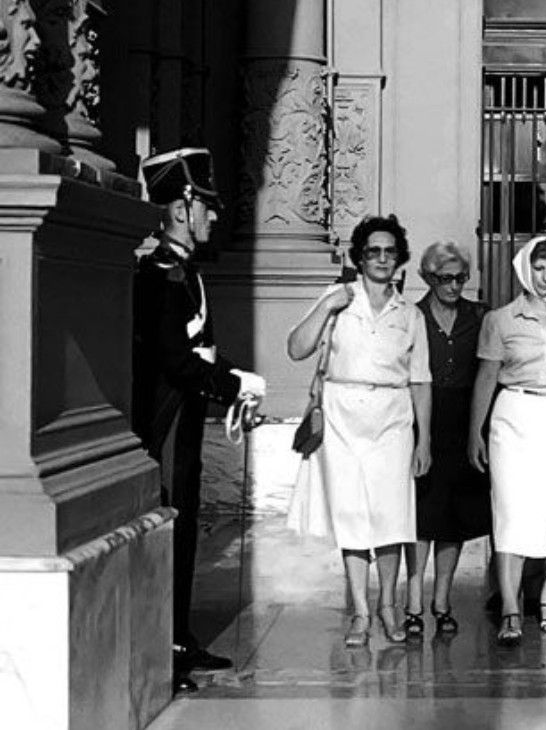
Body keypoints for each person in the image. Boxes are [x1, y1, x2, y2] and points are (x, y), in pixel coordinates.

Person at [133, 147, 267, 693]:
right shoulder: (161, 273)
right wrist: (230, 385)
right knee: (174, 524)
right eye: (206, 206)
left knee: (186, 524)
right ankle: (166, 647)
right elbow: (173, 357)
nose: (213, 216)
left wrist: (237, 380)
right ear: (183, 206)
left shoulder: (184, 271)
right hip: (165, 422)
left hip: (185, 416)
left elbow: (202, 349)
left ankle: (180, 638)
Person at [287, 215, 432, 647]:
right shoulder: (338, 300)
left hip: (392, 416)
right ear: (361, 257)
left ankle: (388, 605)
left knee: (390, 516)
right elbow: (296, 348)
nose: (382, 259)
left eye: (390, 251)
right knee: (351, 514)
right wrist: (329, 304)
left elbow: (421, 381)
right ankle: (360, 611)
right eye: (373, 251)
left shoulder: (410, 315)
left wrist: (424, 440)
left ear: (399, 257)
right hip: (341, 414)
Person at [469, 236, 546, 646]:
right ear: (525, 269)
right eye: (539, 269)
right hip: (514, 417)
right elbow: (486, 378)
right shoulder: (500, 320)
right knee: (511, 511)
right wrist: (476, 432)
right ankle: (509, 605)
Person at [401, 241, 491, 638]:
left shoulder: (479, 316)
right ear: (428, 278)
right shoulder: (412, 316)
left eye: (460, 278)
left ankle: (442, 599)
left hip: (464, 420)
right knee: (422, 515)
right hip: (423, 419)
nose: (454, 286)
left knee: (454, 518)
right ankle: (414, 601)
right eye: (445, 278)